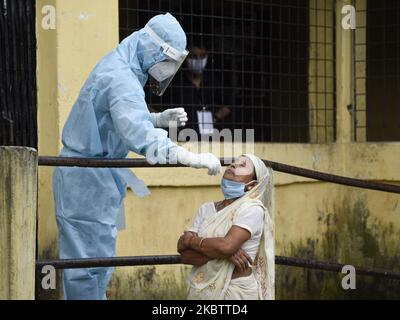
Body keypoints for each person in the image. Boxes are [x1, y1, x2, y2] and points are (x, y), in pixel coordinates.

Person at [52, 13, 222, 300]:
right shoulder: (121, 79)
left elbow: (115, 118)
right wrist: (188, 157)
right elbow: (137, 134)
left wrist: (154, 119)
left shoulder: (121, 68)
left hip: (95, 177)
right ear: (156, 49)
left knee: (98, 263)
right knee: (85, 268)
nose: (164, 70)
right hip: (86, 180)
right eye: (167, 62)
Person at [177, 155, 275, 300]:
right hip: (202, 290)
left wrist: (191, 241)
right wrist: (225, 253)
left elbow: (226, 245)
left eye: (242, 165)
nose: (233, 165)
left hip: (235, 290)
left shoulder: (252, 209)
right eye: (233, 162)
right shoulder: (206, 209)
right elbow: (185, 255)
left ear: (252, 186)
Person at [147, 40, 232, 139]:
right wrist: (166, 122)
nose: (199, 60)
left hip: (208, 138)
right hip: (180, 140)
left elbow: (229, 104)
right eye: (194, 57)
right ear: (186, 58)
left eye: (202, 56)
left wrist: (215, 118)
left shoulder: (213, 81)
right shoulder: (173, 83)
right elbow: (147, 105)